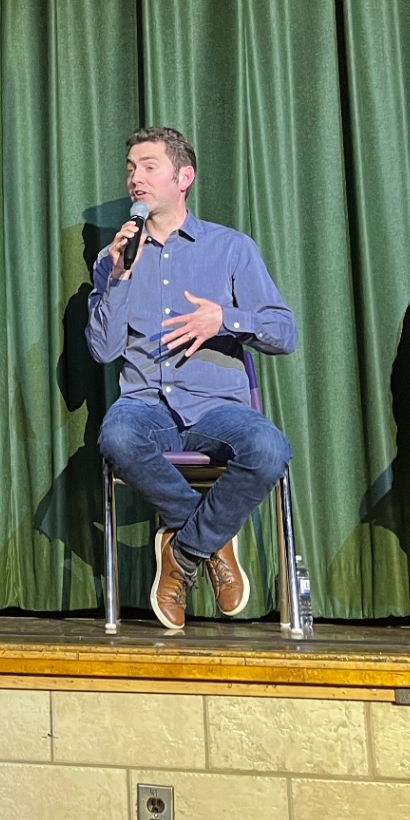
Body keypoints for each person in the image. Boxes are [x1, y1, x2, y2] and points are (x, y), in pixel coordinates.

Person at [88, 127, 298, 631]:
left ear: (185, 177)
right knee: (116, 437)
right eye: (131, 168)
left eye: (149, 167)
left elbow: (284, 332)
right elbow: (103, 350)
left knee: (269, 450)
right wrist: (116, 278)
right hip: (144, 404)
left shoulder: (231, 249)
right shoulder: (112, 258)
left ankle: (180, 550)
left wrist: (224, 320)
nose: (135, 178)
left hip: (216, 408)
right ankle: (209, 537)